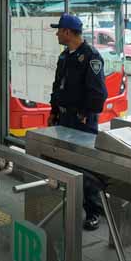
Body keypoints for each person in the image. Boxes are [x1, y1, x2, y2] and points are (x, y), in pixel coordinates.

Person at [49, 13, 108, 231]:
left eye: (59, 30)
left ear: (67, 32)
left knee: (85, 168)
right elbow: (58, 86)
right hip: (64, 120)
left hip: (82, 122)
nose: (56, 33)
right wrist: (53, 110)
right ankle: (72, 205)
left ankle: (93, 212)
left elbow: (99, 94)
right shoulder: (65, 56)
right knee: (65, 163)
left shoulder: (90, 56)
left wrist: (85, 112)